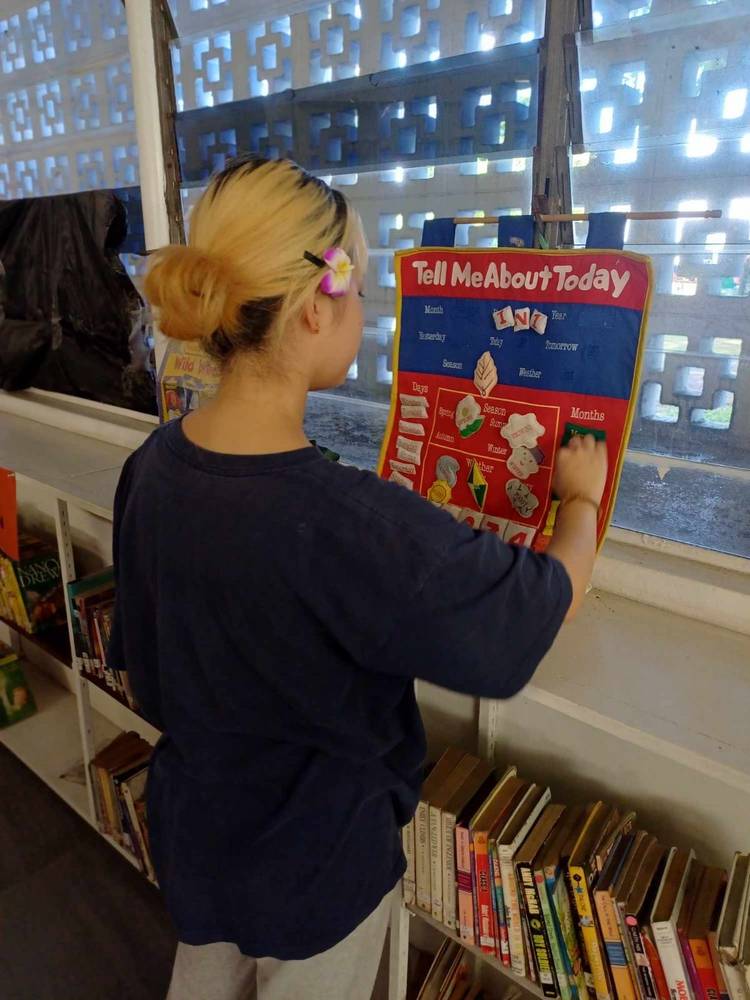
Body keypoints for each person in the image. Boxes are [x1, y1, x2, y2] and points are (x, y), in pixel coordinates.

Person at [108, 155, 607, 1000]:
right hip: (318, 867)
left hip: (197, 834)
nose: (368, 314)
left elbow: (141, 655)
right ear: (314, 308)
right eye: (363, 293)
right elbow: (535, 608)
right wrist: (581, 501)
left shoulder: (153, 464)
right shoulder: (351, 524)